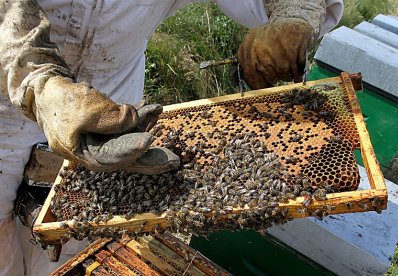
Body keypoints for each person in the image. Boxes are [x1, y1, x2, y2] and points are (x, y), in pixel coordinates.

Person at [0, 0, 343, 275]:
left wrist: (295, 13)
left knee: (78, 248)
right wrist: (41, 85)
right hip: (6, 113)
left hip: (111, 118)